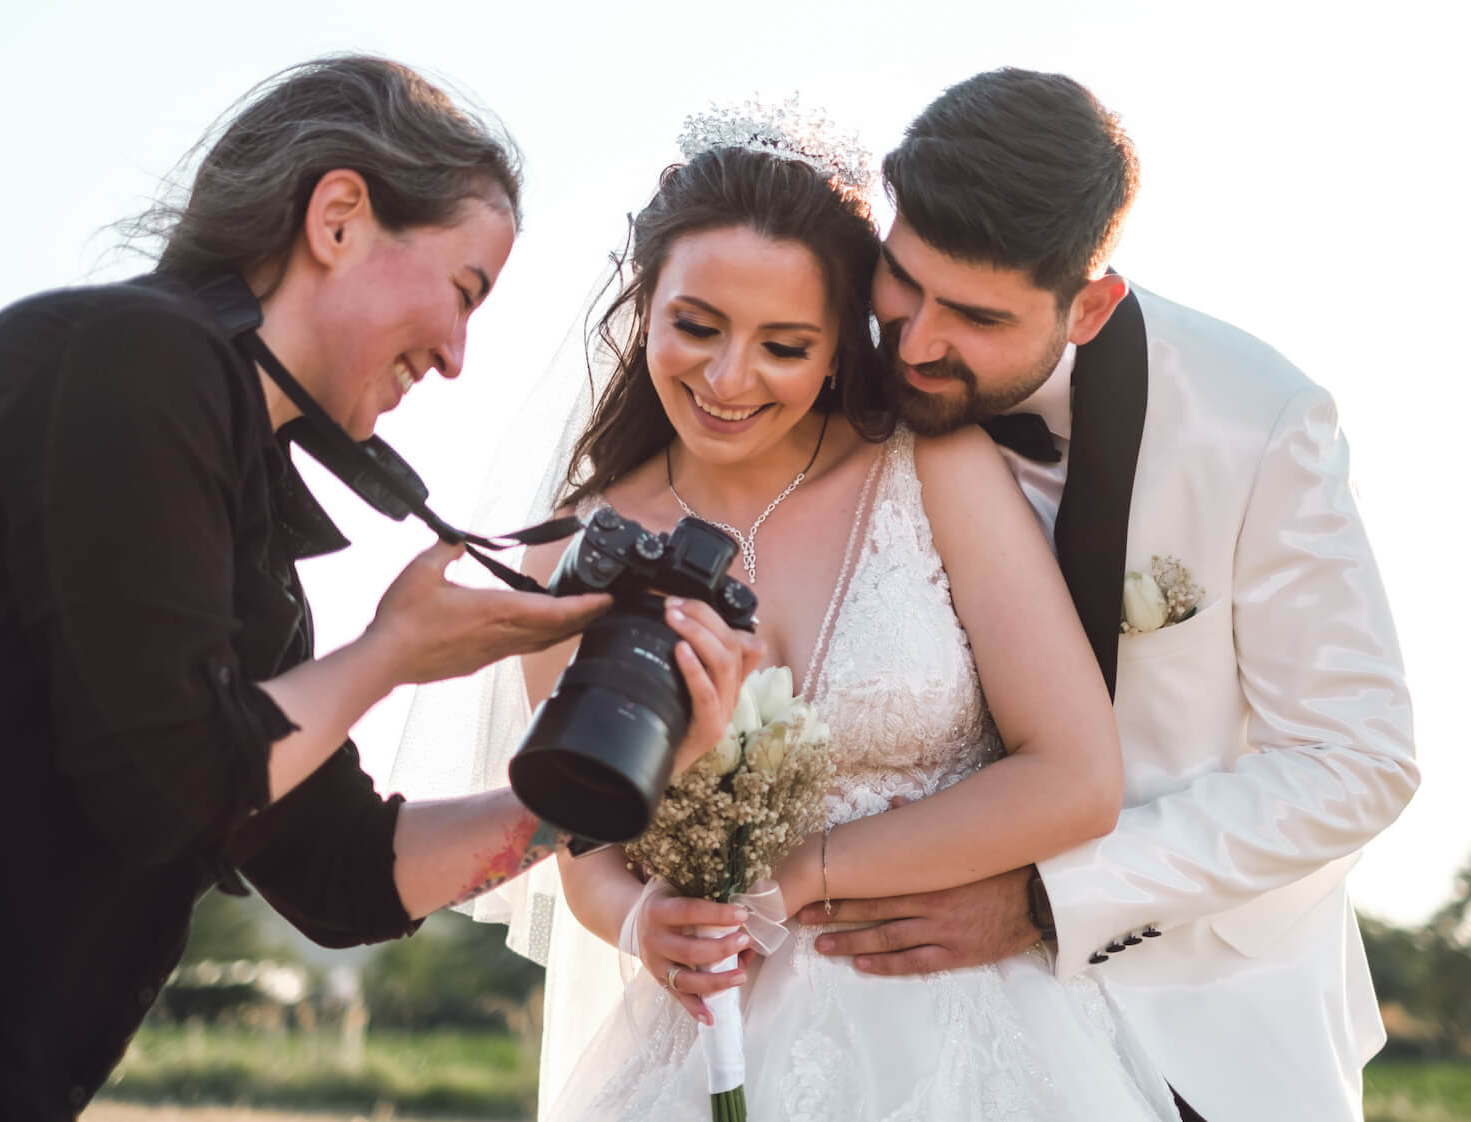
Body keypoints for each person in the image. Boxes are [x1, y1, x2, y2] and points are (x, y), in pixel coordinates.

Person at [0, 56, 759, 1121]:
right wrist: (390, 655)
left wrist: (607, 784)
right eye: (464, 292)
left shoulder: (245, 531)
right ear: (338, 217)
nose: (458, 356)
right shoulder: (134, 359)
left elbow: (345, 876)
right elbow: (166, 782)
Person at [396, 104, 1177, 1120]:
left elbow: (1075, 776)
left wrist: (798, 877)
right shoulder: (571, 553)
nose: (728, 380)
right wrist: (641, 923)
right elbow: (583, 847)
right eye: (696, 326)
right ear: (645, 306)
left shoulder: (931, 465)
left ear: (838, 343)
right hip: (714, 1047)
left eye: (783, 344)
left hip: (970, 1042)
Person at [790, 69, 1421, 1121]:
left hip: (1205, 1028)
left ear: (1089, 304)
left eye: (977, 316)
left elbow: (1356, 761)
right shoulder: (821, 371)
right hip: (885, 1025)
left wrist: (1051, 900)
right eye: (906, 282)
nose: (916, 341)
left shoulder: (1254, 420)